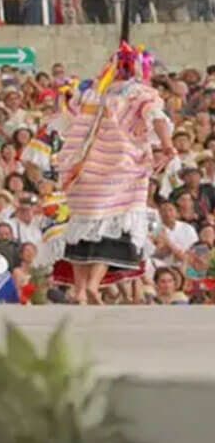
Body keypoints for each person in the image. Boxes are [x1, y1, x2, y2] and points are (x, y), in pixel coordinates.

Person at [48, 43, 172, 305]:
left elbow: (65, 116)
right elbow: (157, 117)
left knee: (82, 229)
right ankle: (93, 285)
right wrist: (167, 145)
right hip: (118, 169)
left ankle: (80, 290)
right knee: (112, 228)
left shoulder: (92, 92)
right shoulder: (139, 93)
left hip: (83, 172)